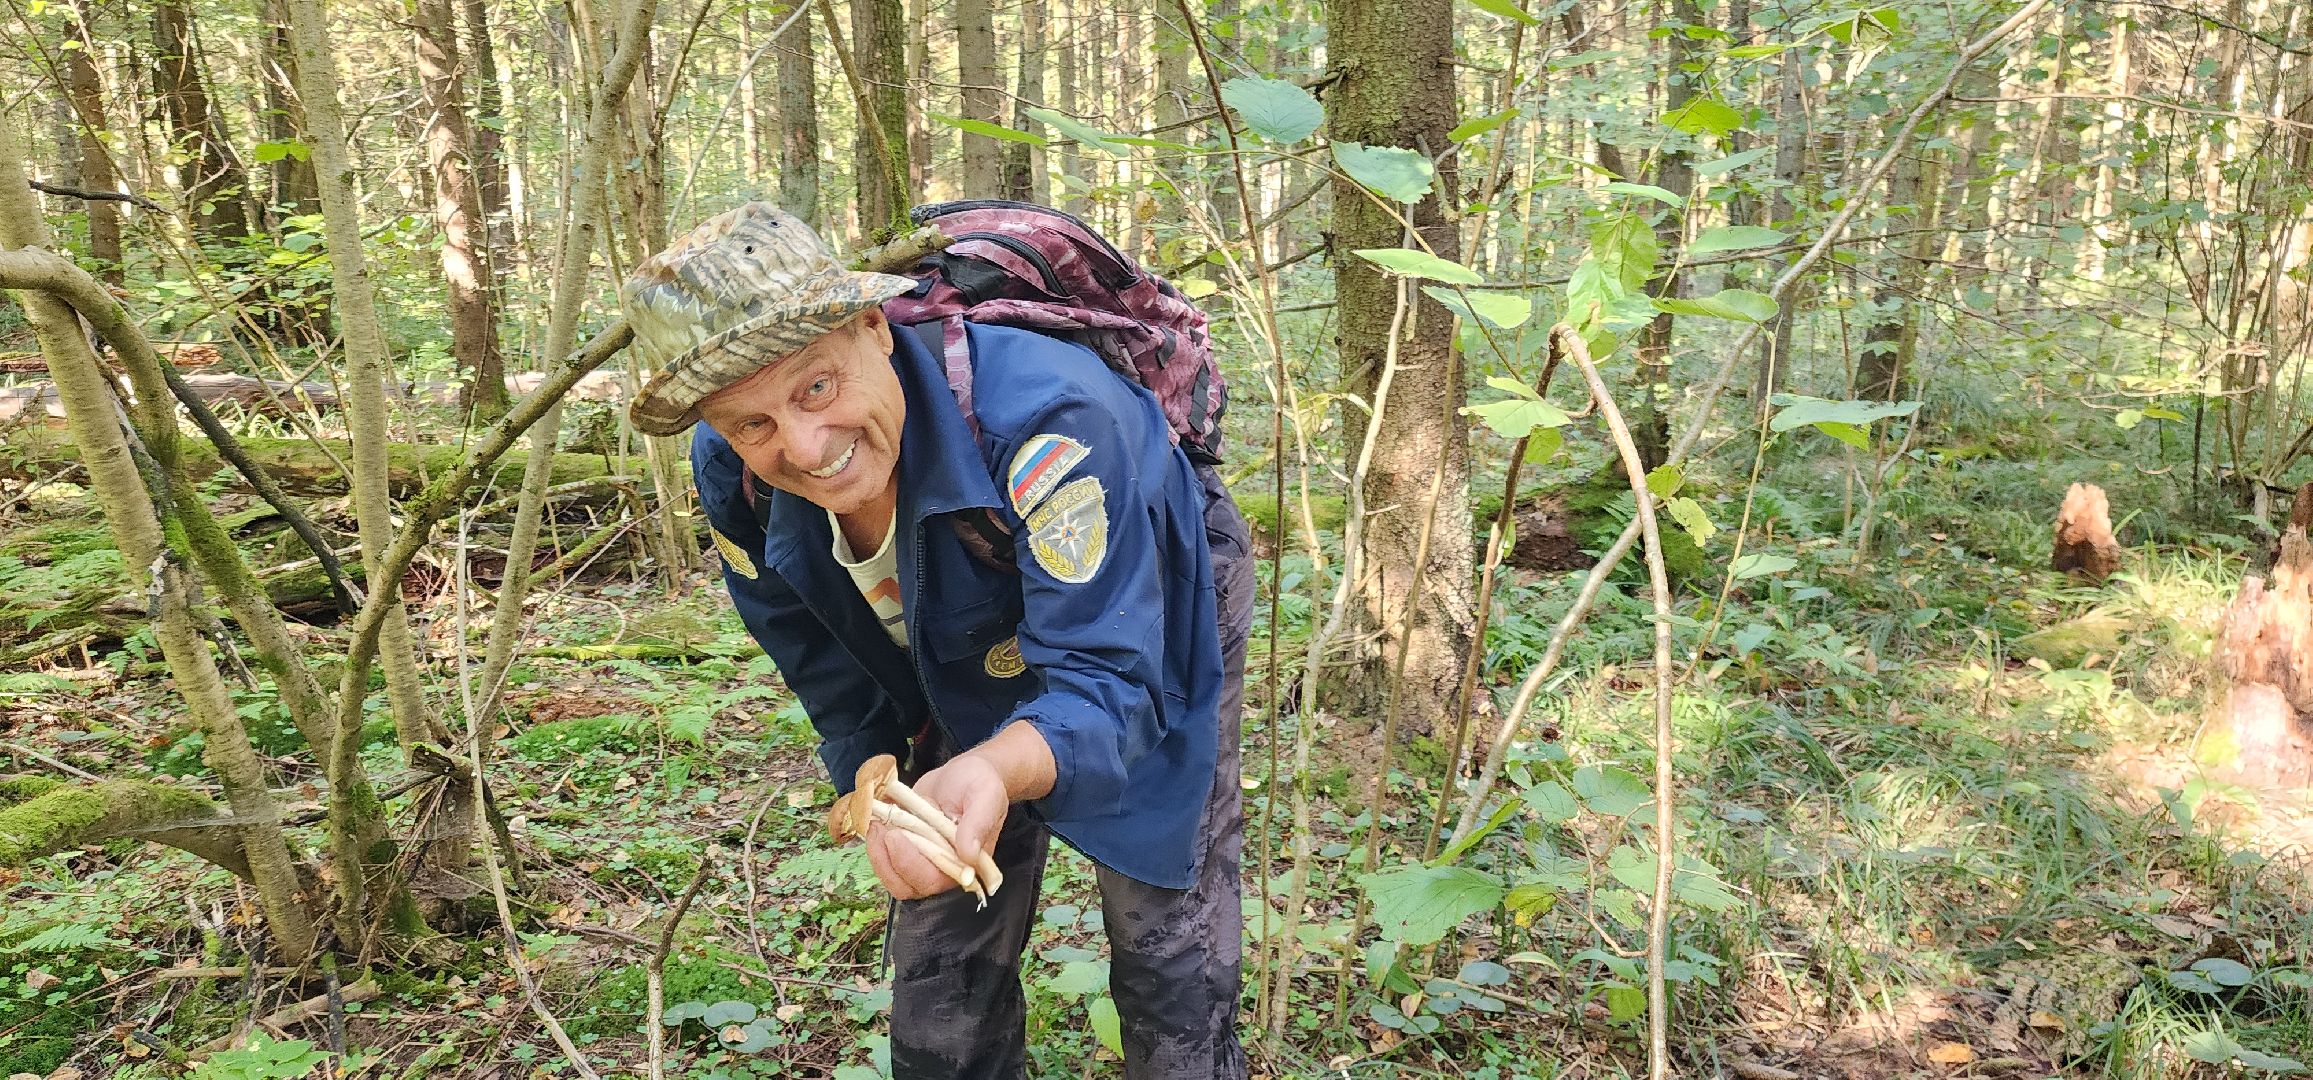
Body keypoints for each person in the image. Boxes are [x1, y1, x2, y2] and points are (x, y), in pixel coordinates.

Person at [621, 202, 1253, 1080]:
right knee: (939, 950)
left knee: (1162, 937)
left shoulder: (1053, 423)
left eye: (816, 386)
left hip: (1139, 598)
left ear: (873, 326)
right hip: (948, 625)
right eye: (751, 422)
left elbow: (1115, 678)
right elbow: (810, 646)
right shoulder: (732, 468)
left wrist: (998, 765)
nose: (805, 447)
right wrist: (875, 774)